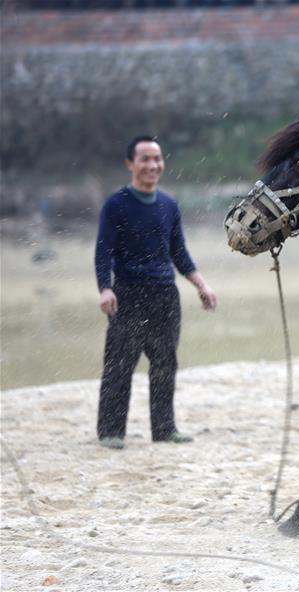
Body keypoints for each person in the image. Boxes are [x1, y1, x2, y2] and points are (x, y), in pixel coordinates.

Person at [94, 135, 217, 450]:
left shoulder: (169, 204)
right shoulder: (116, 204)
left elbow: (179, 253)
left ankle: (164, 429)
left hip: (164, 295)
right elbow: (103, 252)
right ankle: (111, 432)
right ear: (130, 164)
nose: (152, 165)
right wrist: (105, 288)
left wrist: (202, 285)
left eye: (157, 159)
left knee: (165, 363)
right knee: (120, 364)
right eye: (145, 159)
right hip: (128, 294)